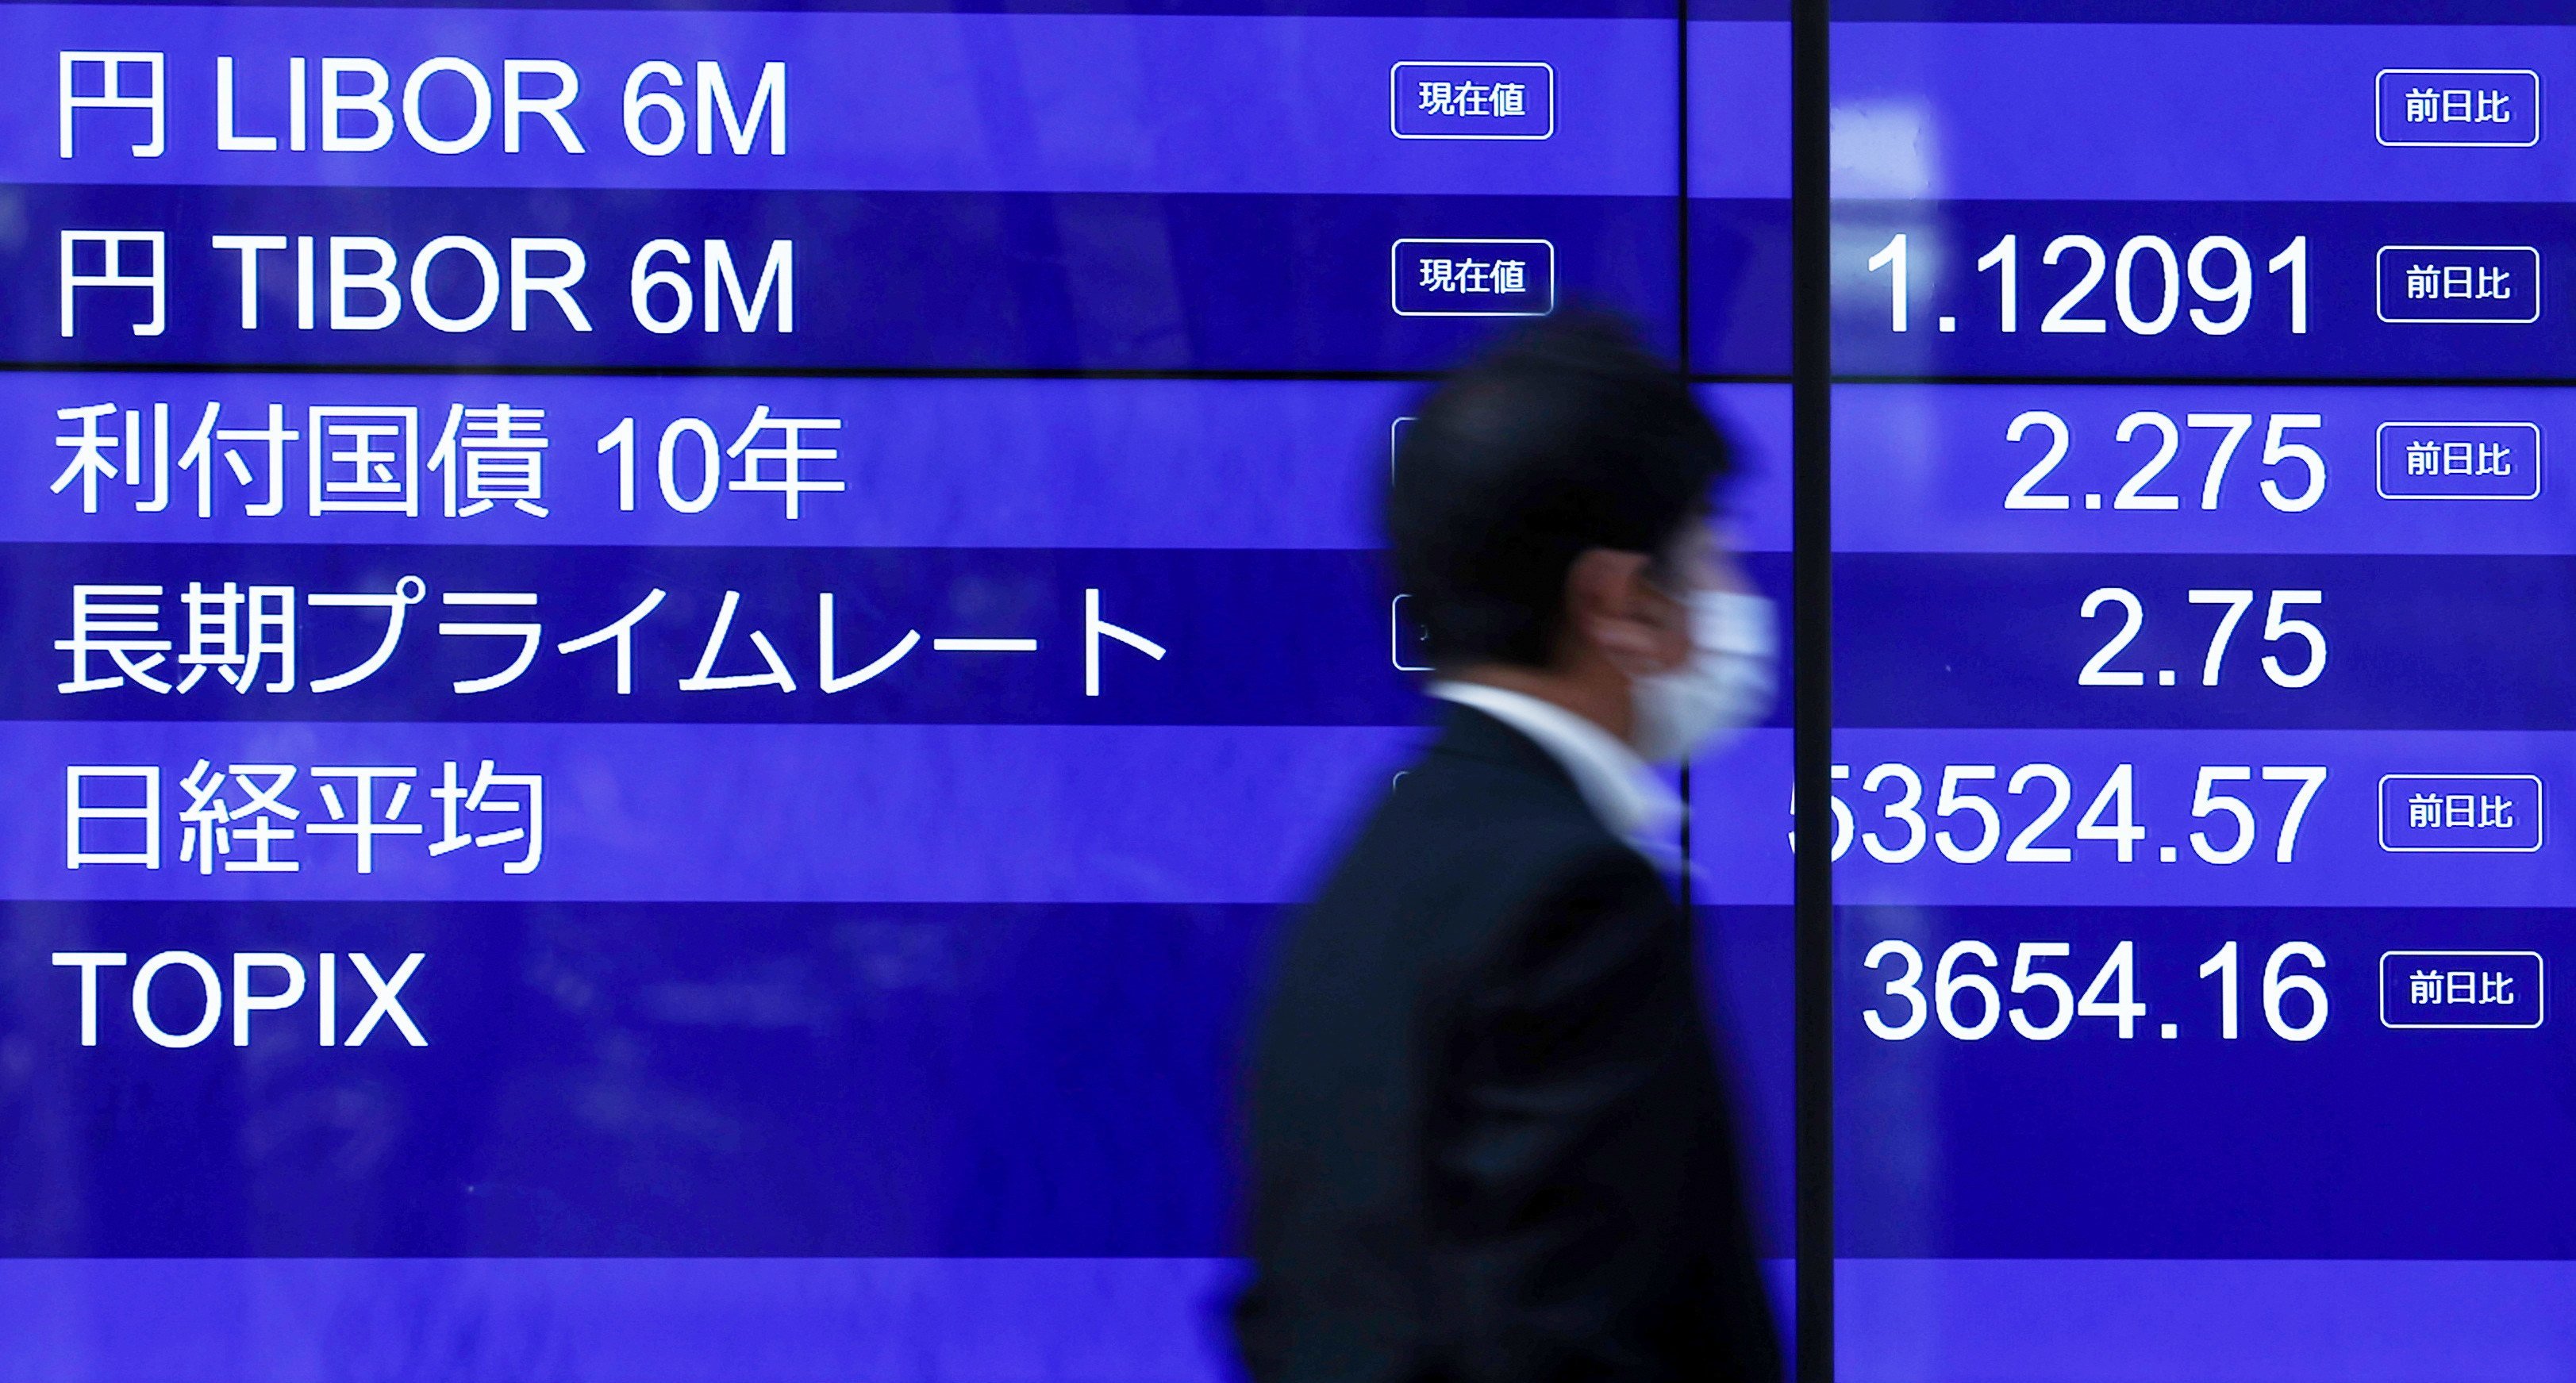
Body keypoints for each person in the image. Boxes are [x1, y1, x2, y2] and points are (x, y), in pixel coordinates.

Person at [1234, 313, 1782, 1383]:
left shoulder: (1379, 870)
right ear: (1618, 603)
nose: (1735, 590)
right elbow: (1571, 1345)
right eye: (1710, 544)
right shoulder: (1571, 900)